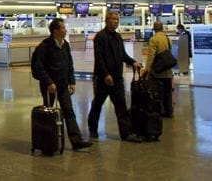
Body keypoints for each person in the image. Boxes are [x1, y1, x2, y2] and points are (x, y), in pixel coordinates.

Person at [32, 18, 92, 151]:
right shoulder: (44, 46)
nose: (65, 30)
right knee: (48, 112)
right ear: (55, 31)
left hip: (63, 85)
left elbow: (69, 64)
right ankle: (47, 140)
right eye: (63, 28)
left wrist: (72, 81)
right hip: (49, 87)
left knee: (69, 111)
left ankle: (76, 141)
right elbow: (39, 67)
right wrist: (48, 82)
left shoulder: (65, 45)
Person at [87, 12, 142, 142]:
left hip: (116, 77)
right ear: (106, 21)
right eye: (113, 19)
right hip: (103, 78)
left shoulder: (118, 37)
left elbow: (123, 55)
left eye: (117, 19)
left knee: (121, 105)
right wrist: (105, 74)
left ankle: (126, 133)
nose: (116, 21)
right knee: (97, 104)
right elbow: (99, 58)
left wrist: (133, 62)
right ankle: (92, 127)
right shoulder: (100, 37)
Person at [142, 21, 174, 118]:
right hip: (167, 70)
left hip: (158, 71)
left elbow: (151, 56)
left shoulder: (153, 39)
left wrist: (147, 69)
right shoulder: (168, 38)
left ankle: (159, 111)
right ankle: (169, 111)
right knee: (168, 92)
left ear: (154, 29)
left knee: (157, 92)